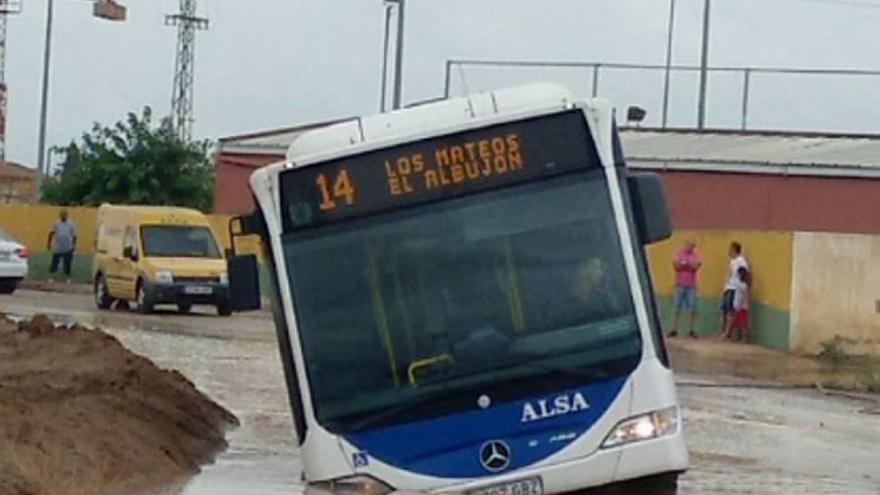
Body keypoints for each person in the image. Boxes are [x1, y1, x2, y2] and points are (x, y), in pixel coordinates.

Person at [669, 240, 702, 338]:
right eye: (689, 245)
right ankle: (674, 329)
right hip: (679, 285)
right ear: (685, 245)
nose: (690, 248)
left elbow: (696, 266)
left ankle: (691, 330)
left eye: (692, 246)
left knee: (692, 308)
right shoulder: (678, 254)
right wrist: (688, 265)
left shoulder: (695, 255)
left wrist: (685, 265)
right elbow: (676, 266)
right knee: (676, 307)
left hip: (691, 286)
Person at [719, 241, 748, 339]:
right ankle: (724, 331)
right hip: (728, 287)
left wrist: (741, 286)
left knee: (730, 311)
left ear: (734, 249)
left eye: (730, 249)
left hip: (734, 288)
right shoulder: (732, 261)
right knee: (724, 310)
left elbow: (744, 274)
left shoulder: (741, 261)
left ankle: (727, 332)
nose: (729, 251)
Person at [47, 209, 77, 283]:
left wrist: (73, 246)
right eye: (62, 215)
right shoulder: (57, 223)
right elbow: (51, 233)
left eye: (65, 215)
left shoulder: (71, 224)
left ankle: (68, 278)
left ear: (67, 215)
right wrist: (49, 243)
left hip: (68, 247)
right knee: (54, 263)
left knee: (67, 263)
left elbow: (74, 236)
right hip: (58, 247)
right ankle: (51, 277)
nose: (63, 216)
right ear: (60, 216)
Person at [728, 266, 751, 342]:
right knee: (738, 323)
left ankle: (743, 339)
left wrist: (739, 306)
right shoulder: (742, 285)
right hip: (739, 306)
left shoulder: (743, 286)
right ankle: (738, 338)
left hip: (741, 307)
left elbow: (743, 297)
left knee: (742, 324)